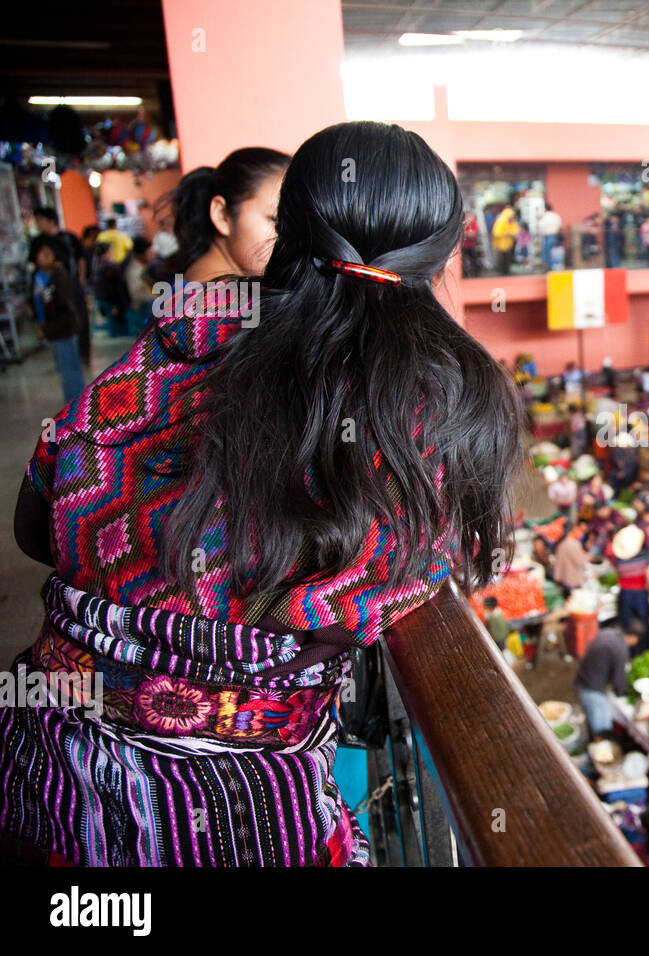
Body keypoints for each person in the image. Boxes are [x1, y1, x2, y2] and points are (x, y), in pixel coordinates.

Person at [2, 121, 524, 867]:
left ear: (292, 227)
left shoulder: (196, 322)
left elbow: (35, 521)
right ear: (445, 250)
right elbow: (345, 614)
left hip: (45, 780)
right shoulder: (440, 403)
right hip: (235, 817)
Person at [164, 146, 290, 283]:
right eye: (275, 219)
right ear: (221, 215)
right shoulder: (221, 300)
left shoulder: (201, 284)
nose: (291, 236)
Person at [29, 236, 86, 405]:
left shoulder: (59, 276)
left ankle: (75, 405)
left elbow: (64, 307)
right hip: (54, 330)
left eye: (47, 254)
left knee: (70, 370)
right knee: (65, 368)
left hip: (63, 330)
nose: (42, 257)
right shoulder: (38, 276)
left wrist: (48, 329)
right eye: (40, 254)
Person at [30, 207, 90, 364]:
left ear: (51, 221)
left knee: (79, 318)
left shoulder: (68, 238)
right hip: (50, 291)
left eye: (40, 220)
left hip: (71, 286)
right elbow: (33, 266)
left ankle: (82, 353)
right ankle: (65, 353)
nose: (37, 224)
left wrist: (81, 278)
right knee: (58, 321)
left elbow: (80, 258)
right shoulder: (37, 242)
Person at [573, 627, 639, 738]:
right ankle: (597, 746)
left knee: (590, 717)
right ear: (634, 638)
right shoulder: (621, 649)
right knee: (602, 729)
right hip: (592, 689)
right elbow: (619, 680)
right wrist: (623, 692)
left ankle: (591, 738)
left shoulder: (608, 632)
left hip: (581, 678)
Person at [552, 521, 590, 594]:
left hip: (562, 579)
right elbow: (580, 561)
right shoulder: (573, 544)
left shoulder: (560, 543)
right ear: (573, 530)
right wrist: (588, 555)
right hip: (572, 579)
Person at [491, 205, 519, 274]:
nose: (512, 218)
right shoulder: (501, 221)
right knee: (501, 258)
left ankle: (506, 271)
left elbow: (516, 230)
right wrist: (505, 234)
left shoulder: (512, 221)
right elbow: (496, 233)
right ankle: (502, 271)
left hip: (508, 244)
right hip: (500, 244)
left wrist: (511, 233)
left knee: (507, 258)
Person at [538, 203, 562, 271]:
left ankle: (549, 268)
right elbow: (559, 225)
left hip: (547, 237)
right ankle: (555, 267)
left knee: (547, 253)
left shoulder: (544, 216)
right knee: (554, 253)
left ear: (545, 209)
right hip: (554, 236)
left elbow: (540, 226)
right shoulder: (556, 216)